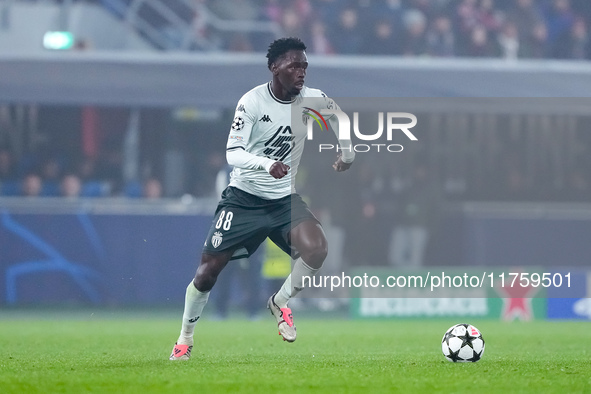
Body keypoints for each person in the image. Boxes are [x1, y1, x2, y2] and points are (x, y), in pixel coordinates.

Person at [169, 37, 355, 361]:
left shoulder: (312, 99)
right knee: (206, 273)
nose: (301, 72)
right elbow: (233, 153)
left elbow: (339, 116)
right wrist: (267, 164)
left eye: (305, 66)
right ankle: (185, 339)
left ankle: (280, 302)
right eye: (294, 66)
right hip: (243, 199)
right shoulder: (252, 102)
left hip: (283, 200)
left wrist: (348, 151)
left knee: (317, 248)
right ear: (274, 67)